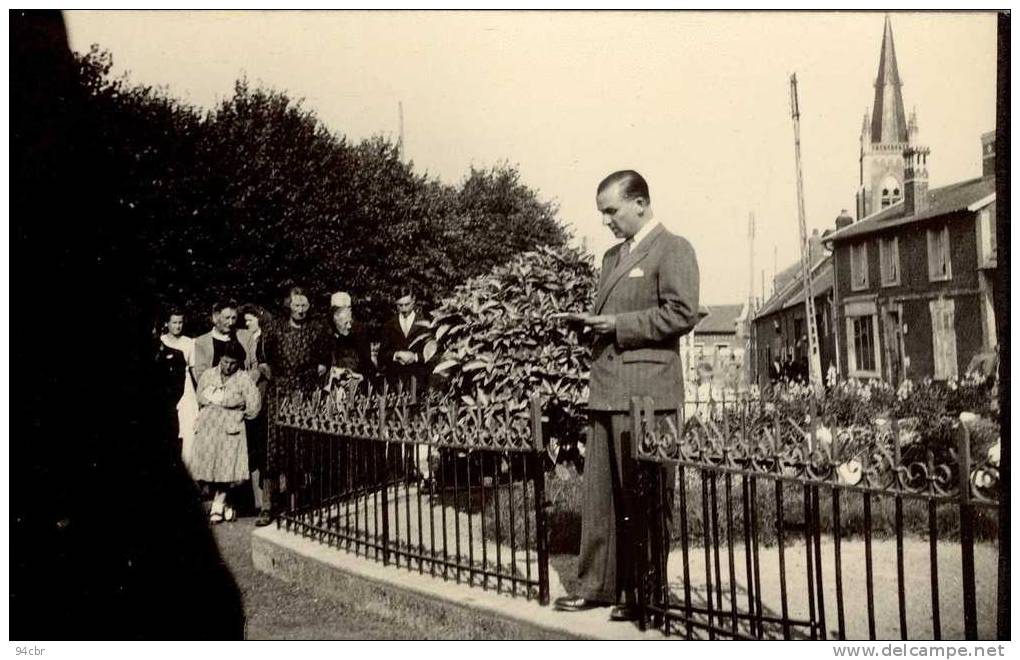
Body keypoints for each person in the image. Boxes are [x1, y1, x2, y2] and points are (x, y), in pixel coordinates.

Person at [553, 170, 700, 621]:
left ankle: (645, 593)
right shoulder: (611, 257)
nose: (606, 222)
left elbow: (682, 313)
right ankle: (597, 585)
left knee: (646, 497)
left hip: (647, 395)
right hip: (607, 389)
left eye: (611, 211)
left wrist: (617, 326)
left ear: (640, 203)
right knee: (600, 497)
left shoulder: (674, 248)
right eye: (602, 214)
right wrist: (588, 325)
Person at [262, 287, 327, 517]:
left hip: (303, 393)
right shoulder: (275, 328)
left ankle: (295, 504)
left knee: (299, 447)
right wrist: (274, 376)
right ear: (289, 305)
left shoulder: (315, 330)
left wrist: (310, 377)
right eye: (296, 305)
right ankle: (268, 505)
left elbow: (322, 361)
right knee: (274, 447)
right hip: (279, 393)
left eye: (304, 305)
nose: (300, 310)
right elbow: (264, 356)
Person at [191, 342, 261, 524]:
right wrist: (229, 401)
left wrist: (236, 407)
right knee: (209, 470)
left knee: (227, 471)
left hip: (231, 430)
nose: (228, 367)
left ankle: (218, 505)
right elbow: (200, 397)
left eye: (232, 363)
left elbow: (254, 407)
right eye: (224, 362)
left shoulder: (244, 379)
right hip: (209, 430)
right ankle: (226, 504)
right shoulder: (208, 375)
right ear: (219, 359)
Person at [240, 303, 273, 526]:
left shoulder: (265, 338)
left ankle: (266, 501)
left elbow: (265, 367)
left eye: (250, 320)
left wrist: (258, 371)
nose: (247, 325)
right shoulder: (251, 339)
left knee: (263, 445)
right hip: (253, 394)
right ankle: (259, 500)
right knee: (255, 446)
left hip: (264, 393)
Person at [159, 308, 200, 471]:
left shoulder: (189, 343)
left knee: (188, 429)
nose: (177, 326)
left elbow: (193, 369)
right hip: (165, 387)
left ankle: (188, 469)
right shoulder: (160, 341)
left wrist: (199, 393)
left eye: (180, 322)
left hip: (185, 387)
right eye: (174, 322)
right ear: (167, 323)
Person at [323, 291, 376, 396]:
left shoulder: (359, 331)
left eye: (348, 308)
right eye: (339, 309)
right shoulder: (326, 332)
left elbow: (366, 362)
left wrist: (361, 376)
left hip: (356, 383)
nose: (345, 311)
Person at [378, 289, 430, 395]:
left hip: (419, 383)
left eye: (407, 304)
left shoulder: (425, 324)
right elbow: (382, 356)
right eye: (400, 305)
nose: (404, 309)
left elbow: (432, 355)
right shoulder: (389, 325)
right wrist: (396, 355)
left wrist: (415, 357)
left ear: (414, 301)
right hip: (395, 384)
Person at [192, 300, 251, 386]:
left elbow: (255, 366)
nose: (230, 323)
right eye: (227, 318)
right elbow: (201, 376)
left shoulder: (246, 336)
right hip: (215, 391)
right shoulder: (202, 342)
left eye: (233, 318)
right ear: (215, 318)